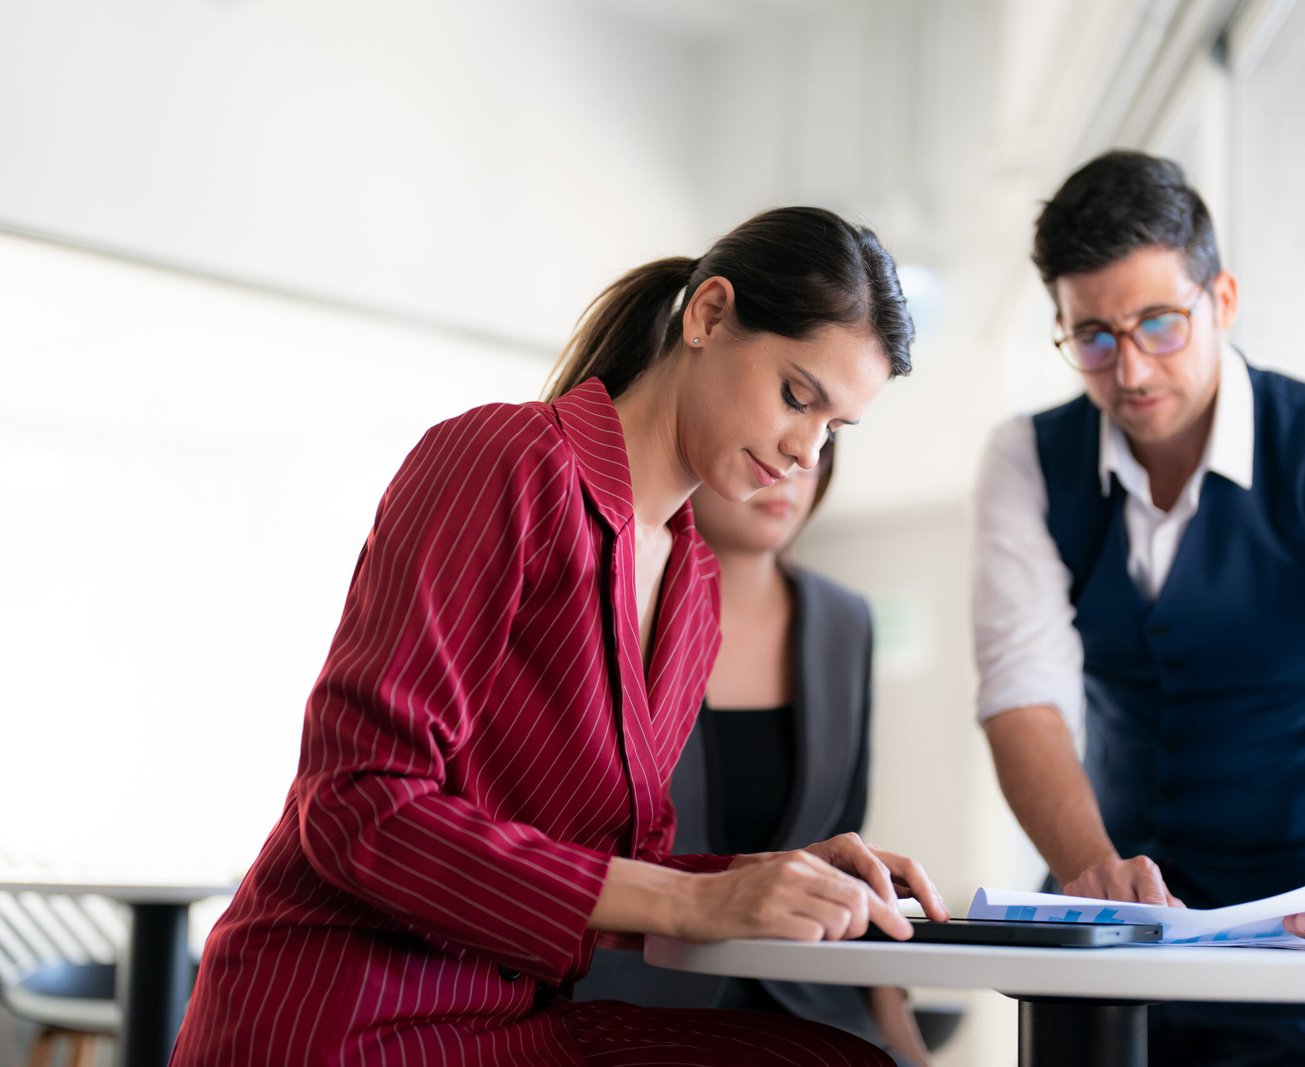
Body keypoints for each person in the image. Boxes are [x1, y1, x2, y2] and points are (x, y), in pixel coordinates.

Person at [171, 206, 949, 1067]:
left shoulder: (692, 586)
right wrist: (697, 902)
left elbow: (610, 873)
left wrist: (762, 877)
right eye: (798, 396)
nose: (806, 450)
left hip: (505, 1021)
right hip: (342, 1011)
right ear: (709, 314)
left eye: (836, 427)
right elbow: (357, 803)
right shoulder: (503, 459)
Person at [972, 150, 1305, 1065]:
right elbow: (1025, 693)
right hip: (1105, 960)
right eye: (1093, 335)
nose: (1129, 369)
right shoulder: (1024, 461)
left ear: (1222, 300)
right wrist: (1093, 871)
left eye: (1159, 324)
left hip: (1302, 955)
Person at [575, 438, 933, 1067]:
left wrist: (905, 1040)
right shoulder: (617, 600)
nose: (795, 468)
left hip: (809, 994)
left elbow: (844, 846)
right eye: (777, 435)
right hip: (634, 994)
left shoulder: (844, 622)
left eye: (822, 443)